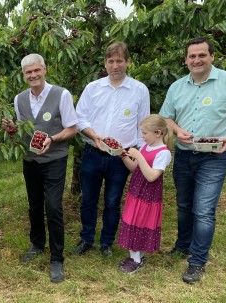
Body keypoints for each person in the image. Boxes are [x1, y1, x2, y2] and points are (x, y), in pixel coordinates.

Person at [159, 37, 226, 283]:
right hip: (185, 155)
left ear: (212, 57)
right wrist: (177, 130)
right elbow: (167, 117)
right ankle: (183, 244)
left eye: (202, 55)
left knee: (204, 210)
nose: (196, 60)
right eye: (192, 56)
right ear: (185, 60)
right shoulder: (177, 87)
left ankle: (197, 262)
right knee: (184, 204)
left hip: (215, 157)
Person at [4, 53, 78, 283]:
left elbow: (72, 128)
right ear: (24, 75)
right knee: (34, 205)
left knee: (53, 206)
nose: (33, 75)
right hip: (30, 160)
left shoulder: (61, 94)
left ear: (45, 69)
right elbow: (21, 128)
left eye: (37, 70)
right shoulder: (19, 99)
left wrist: (53, 139)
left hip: (54, 159)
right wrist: (10, 129)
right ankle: (37, 243)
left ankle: (57, 258)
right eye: (28, 72)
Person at [74, 42, 150, 258]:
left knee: (112, 201)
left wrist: (139, 155)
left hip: (121, 156)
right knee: (88, 199)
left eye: (119, 61)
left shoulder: (139, 90)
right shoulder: (93, 88)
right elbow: (80, 118)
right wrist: (94, 135)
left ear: (128, 62)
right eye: (111, 61)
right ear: (105, 64)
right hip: (93, 153)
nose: (115, 65)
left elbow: (142, 125)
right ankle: (86, 238)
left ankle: (106, 242)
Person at [116, 114, 172, 273]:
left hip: (148, 196)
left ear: (158, 133)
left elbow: (152, 176)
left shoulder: (163, 153)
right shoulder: (146, 146)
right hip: (136, 192)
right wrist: (124, 156)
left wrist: (139, 156)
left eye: (145, 133)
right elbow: (134, 168)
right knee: (132, 220)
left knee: (140, 223)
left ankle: (136, 260)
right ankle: (135, 257)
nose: (142, 136)